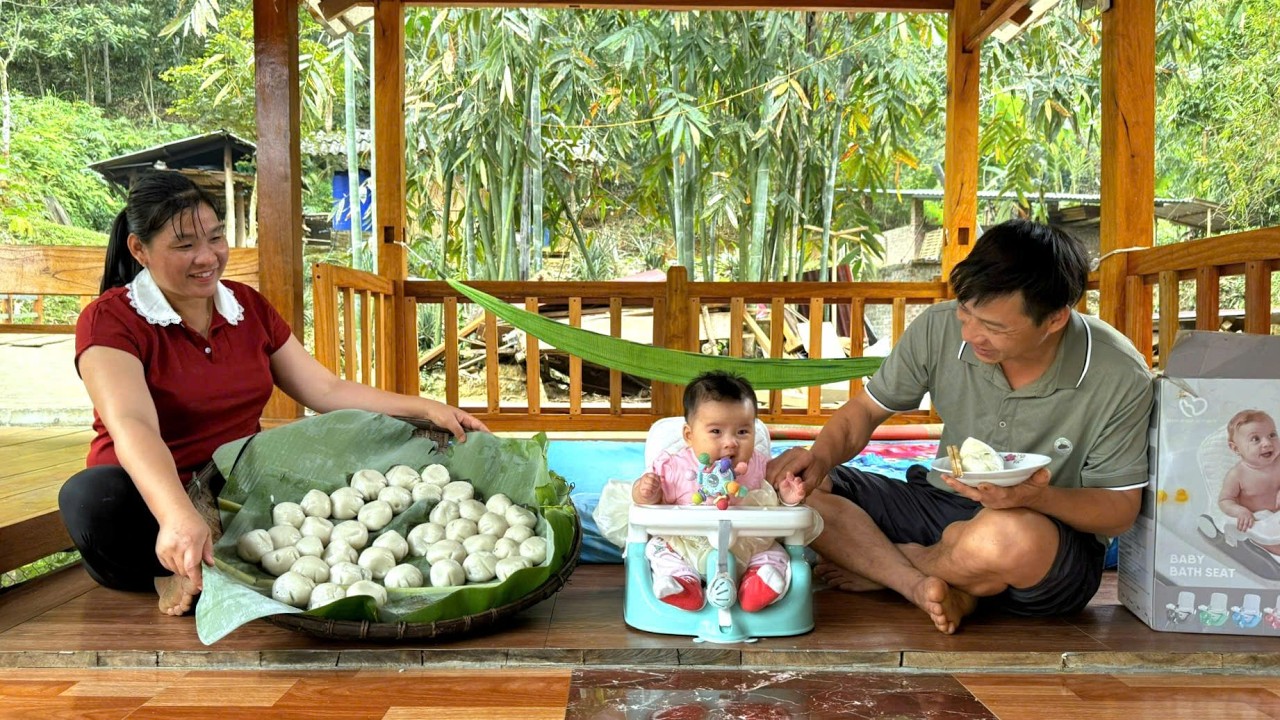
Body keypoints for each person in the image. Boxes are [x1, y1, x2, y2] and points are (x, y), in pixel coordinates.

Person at [58, 171, 488, 616]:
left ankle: (214, 567)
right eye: (184, 245)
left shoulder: (247, 306)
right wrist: (175, 514)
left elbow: (325, 389)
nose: (207, 257)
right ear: (138, 249)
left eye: (216, 237)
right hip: (148, 501)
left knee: (336, 464)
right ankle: (174, 569)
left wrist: (425, 408)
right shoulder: (110, 318)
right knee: (91, 499)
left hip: (235, 486)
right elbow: (132, 422)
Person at [767, 219, 1154, 634]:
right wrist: (817, 458)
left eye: (994, 327)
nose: (970, 335)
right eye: (966, 313)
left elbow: (1118, 512)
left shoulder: (1118, 374)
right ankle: (937, 584)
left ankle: (887, 569)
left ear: (1056, 318)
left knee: (1005, 537)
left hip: (1040, 534)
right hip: (938, 502)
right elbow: (864, 411)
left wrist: (1033, 497)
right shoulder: (939, 327)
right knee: (798, 492)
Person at [631, 371, 807, 612]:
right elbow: (647, 503)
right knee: (659, 551)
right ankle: (684, 586)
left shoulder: (758, 465)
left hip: (749, 544)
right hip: (686, 544)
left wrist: (787, 498)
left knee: (775, 555)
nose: (731, 442)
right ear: (689, 436)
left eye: (742, 432)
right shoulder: (674, 466)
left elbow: (771, 499)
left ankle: (757, 586)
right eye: (716, 432)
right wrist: (646, 492)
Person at [1219, 409, 1280, 545]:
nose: (1267, 443)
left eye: (1272, 435)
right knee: (1270, 541)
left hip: (1277, 517)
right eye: (1255, 439)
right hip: (1258, 522)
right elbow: (1225, 500)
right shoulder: (1237, 474)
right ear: (1235, 448)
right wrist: (1240, 511)